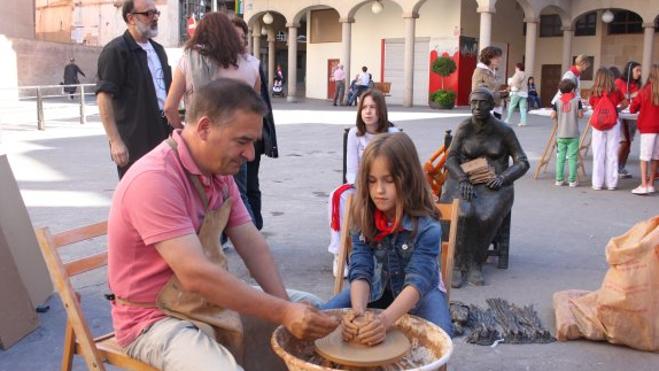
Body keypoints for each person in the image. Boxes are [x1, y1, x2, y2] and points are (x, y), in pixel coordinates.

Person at [108, 79, 339, 370]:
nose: (250, 155)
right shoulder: (155, 179)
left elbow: (253, 245)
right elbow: (196, 275)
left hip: (206, 300)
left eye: (252, 143)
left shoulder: (219, 173)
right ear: (204, 128)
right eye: (242, 141)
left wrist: (286, 310)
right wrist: (282, 312)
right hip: (153, 318)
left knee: (315, 310)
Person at [321, 132, 453, 338]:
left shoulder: (428, 226)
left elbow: (418, 280)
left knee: (441, 336)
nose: (378, 190)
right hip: (376, 286)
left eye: (388, 181)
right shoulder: (364, 215)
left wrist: (383, 321)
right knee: (322, 320)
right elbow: (361, 268)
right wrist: (358, 314)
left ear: (408, 179)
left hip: (420, 293)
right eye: (372, 181)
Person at [164, 12, 261, 226]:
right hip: (236, 144)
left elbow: (170, 107)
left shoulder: (188, 62)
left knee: (199, 200)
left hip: (199, 146)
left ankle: (209, 242)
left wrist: (183, 129)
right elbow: (256, 109)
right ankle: (247, 236)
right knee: (238, 198)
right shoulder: (251, 65)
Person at [440, 88, 529, 287]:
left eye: (482, 103)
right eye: (473, 103)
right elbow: (451, 158)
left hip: (495, 184)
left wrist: (504, 178)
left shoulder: (504, 131)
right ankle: (455, 263)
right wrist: (462, 179)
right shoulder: (464, 128)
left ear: (491, 105)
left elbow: (522, 162)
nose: (476, 107)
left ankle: (475, 263)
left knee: (485, 215)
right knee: (462, 211)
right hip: (465, 180)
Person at [96, 0, 172, 179]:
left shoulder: (158, 50)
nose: (154, 18)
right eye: (148, 14)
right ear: (130, 18)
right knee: (138, 192)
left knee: (162, 189)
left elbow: (165, 91)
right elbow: (103, 97)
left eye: (156, 13)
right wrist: (115, 141)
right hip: (135, 139)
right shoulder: (116, 51)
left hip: (163, 135)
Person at [327, 89, 399, 278]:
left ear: (381, 110)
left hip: (388, 185)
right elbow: (351, 170)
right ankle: (339, 253)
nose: (368, 112)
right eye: (364, 107)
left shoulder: (393, 133)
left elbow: (399, 169)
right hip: (360, 184)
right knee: (338, 195)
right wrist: (363, 188)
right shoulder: (354, 134)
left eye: (373, 107)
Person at [231, 16, 278, 231]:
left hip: (252, 134)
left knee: (250, 184)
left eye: (242, 36)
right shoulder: (221, 63)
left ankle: (254, 226)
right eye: (234, 36)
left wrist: (262, 133)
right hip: (231, 137)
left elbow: (262, 102)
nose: (239, 40)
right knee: (236, 186)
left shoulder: (252, 64)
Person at [588, 67, 627, 191]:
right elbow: (626, 102)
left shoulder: (594, 91)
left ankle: (597, 183)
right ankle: (611, 183)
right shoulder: (616, 90)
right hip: (613, 123)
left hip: (598, 125)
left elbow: (592, 105)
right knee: (612, 153)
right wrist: (617, 109)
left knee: (598, 154)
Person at [629, 64, 659, 195]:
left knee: (644, 158)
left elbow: (632, 108)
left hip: (647, 127)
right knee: (656, 157)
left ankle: (644, 184)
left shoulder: (645, 90)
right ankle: (651, 184)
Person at [551, 79, 584, 187]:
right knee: (572, 157)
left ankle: (559, 179)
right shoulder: (576, 101)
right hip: (573, 134)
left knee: (560, 157)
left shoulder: (557, 101)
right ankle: (572, 180)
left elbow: (552, 115)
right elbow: (580, 115)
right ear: (572, 89)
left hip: (561, 134)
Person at [616, 61, 642, 179]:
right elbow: (618, 97)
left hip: (632, 117)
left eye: (640, 71)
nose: (639, 73)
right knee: (624, 142)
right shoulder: (619, 82)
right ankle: (615, 167)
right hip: (622, 116)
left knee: (629, 143)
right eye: (637, 70)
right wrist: (632, 95)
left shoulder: (636, 84)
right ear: (630, 71)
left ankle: (621, 167)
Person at [472, 46, 508, 119]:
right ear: (488, 58)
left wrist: (503, 92)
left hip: (497, 107)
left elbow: (493, 88)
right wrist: (499, 94)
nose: (499, 59)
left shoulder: (493, 71)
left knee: (496, 129)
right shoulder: (480, 71)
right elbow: (477, 91)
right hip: (485, 108)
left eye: (499, 57)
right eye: (496, 57)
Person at [505, 63, 528, 127]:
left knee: (512, 106)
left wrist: (517, 87)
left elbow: (514, 82)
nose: (515, 69)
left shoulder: (517, 74)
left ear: (518, 68)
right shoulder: (525, 74)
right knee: (523, 108)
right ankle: (523, 122)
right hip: (524, 93)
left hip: (517, 92)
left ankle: (508, 119)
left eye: (515, 68)